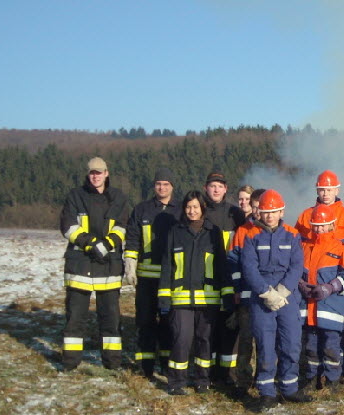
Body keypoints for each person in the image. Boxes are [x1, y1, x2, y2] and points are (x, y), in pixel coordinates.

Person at [240, 190, 312, 409]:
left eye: (274, 212)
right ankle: (267, 392)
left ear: (282, 211)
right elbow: (249, 268)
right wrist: (266, 292)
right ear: (258, 212)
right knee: (265, 346)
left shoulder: (292, 234)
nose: (270, 216)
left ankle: (289, 389)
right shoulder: (251, 236)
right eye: (265, 212)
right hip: (262, 299)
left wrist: (282, 291)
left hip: (287, 298)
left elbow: (297, 265)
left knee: (291, 344)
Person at [59, 157, 129, 371]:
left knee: (110, 320)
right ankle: (70, 364)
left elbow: (123, 226)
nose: (95, 176)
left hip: (109, 267)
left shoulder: (118, 198)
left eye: (99, 172)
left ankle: (112, 363)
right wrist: (90, 244)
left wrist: (107, 244)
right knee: (75, 319)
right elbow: (68, 227)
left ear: (107, 173)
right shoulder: (75, 197)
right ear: (87, 174)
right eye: (92, 173)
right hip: (80, 266)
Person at [158, 191, 227, 395]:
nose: (192, 211)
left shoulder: (213, 232)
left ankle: (202, 380)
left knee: (204, 340)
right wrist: (164, 296)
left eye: (196, 207)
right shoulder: (175, 232)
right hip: (180, 299)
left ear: (202, 208)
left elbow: (222, 265)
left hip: (208, 299)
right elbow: (167, 265)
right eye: (188, 207)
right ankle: (176, 382)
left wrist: (227, 294)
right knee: (182, 339)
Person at [123, 167, 180, 378]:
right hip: (146, 278)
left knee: (168, 322)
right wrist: (130, 262)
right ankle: (145, 366)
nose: (162, 187)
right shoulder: (142, 209)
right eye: (158, 184)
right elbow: (132, 238)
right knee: (145, 322)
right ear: (153, 186)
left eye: (166, 184)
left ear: (172, 186)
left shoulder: (180, 211)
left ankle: (166, 365)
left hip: (171, 279)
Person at [299, 205, 344, 391]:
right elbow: (293, 271)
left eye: (323, 225)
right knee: (310, 348)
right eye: (316, 225)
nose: (319, 229)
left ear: (332, 225)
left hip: (330, 309)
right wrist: (300, 283)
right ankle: (310, 379)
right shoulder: (303, 246)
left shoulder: (340, 248)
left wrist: (331, 287)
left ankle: (332, 381)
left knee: (331, 347)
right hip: (308, 310)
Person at [203, 171, 245, 386]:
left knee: (230, 329)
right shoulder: (198, 211)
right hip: (206, 280)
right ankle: (208, 374)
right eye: (212, 185)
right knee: (208, 328)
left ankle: (229, 375)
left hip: (230, 280)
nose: (216, 189)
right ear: (205, 188)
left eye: (220, 185)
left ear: (226, 189)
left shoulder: (235, 214)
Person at [227, 186, 265, 398]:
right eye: (255, 207)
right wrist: (238, 289)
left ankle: (263, 379)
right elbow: (233, 262)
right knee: (245, 341)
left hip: (266, 298)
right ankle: (242, 381)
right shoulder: (242, 231)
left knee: (265, 341)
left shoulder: (274, 231)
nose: (259, 212)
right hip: (247, 297)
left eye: (262, 207)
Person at [295, 170, 344, 245]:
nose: (325, 194)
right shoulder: (305, 215)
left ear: (337, 191)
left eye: (329, 190)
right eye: (322, 190)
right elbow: (296, 245)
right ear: (317, 191)